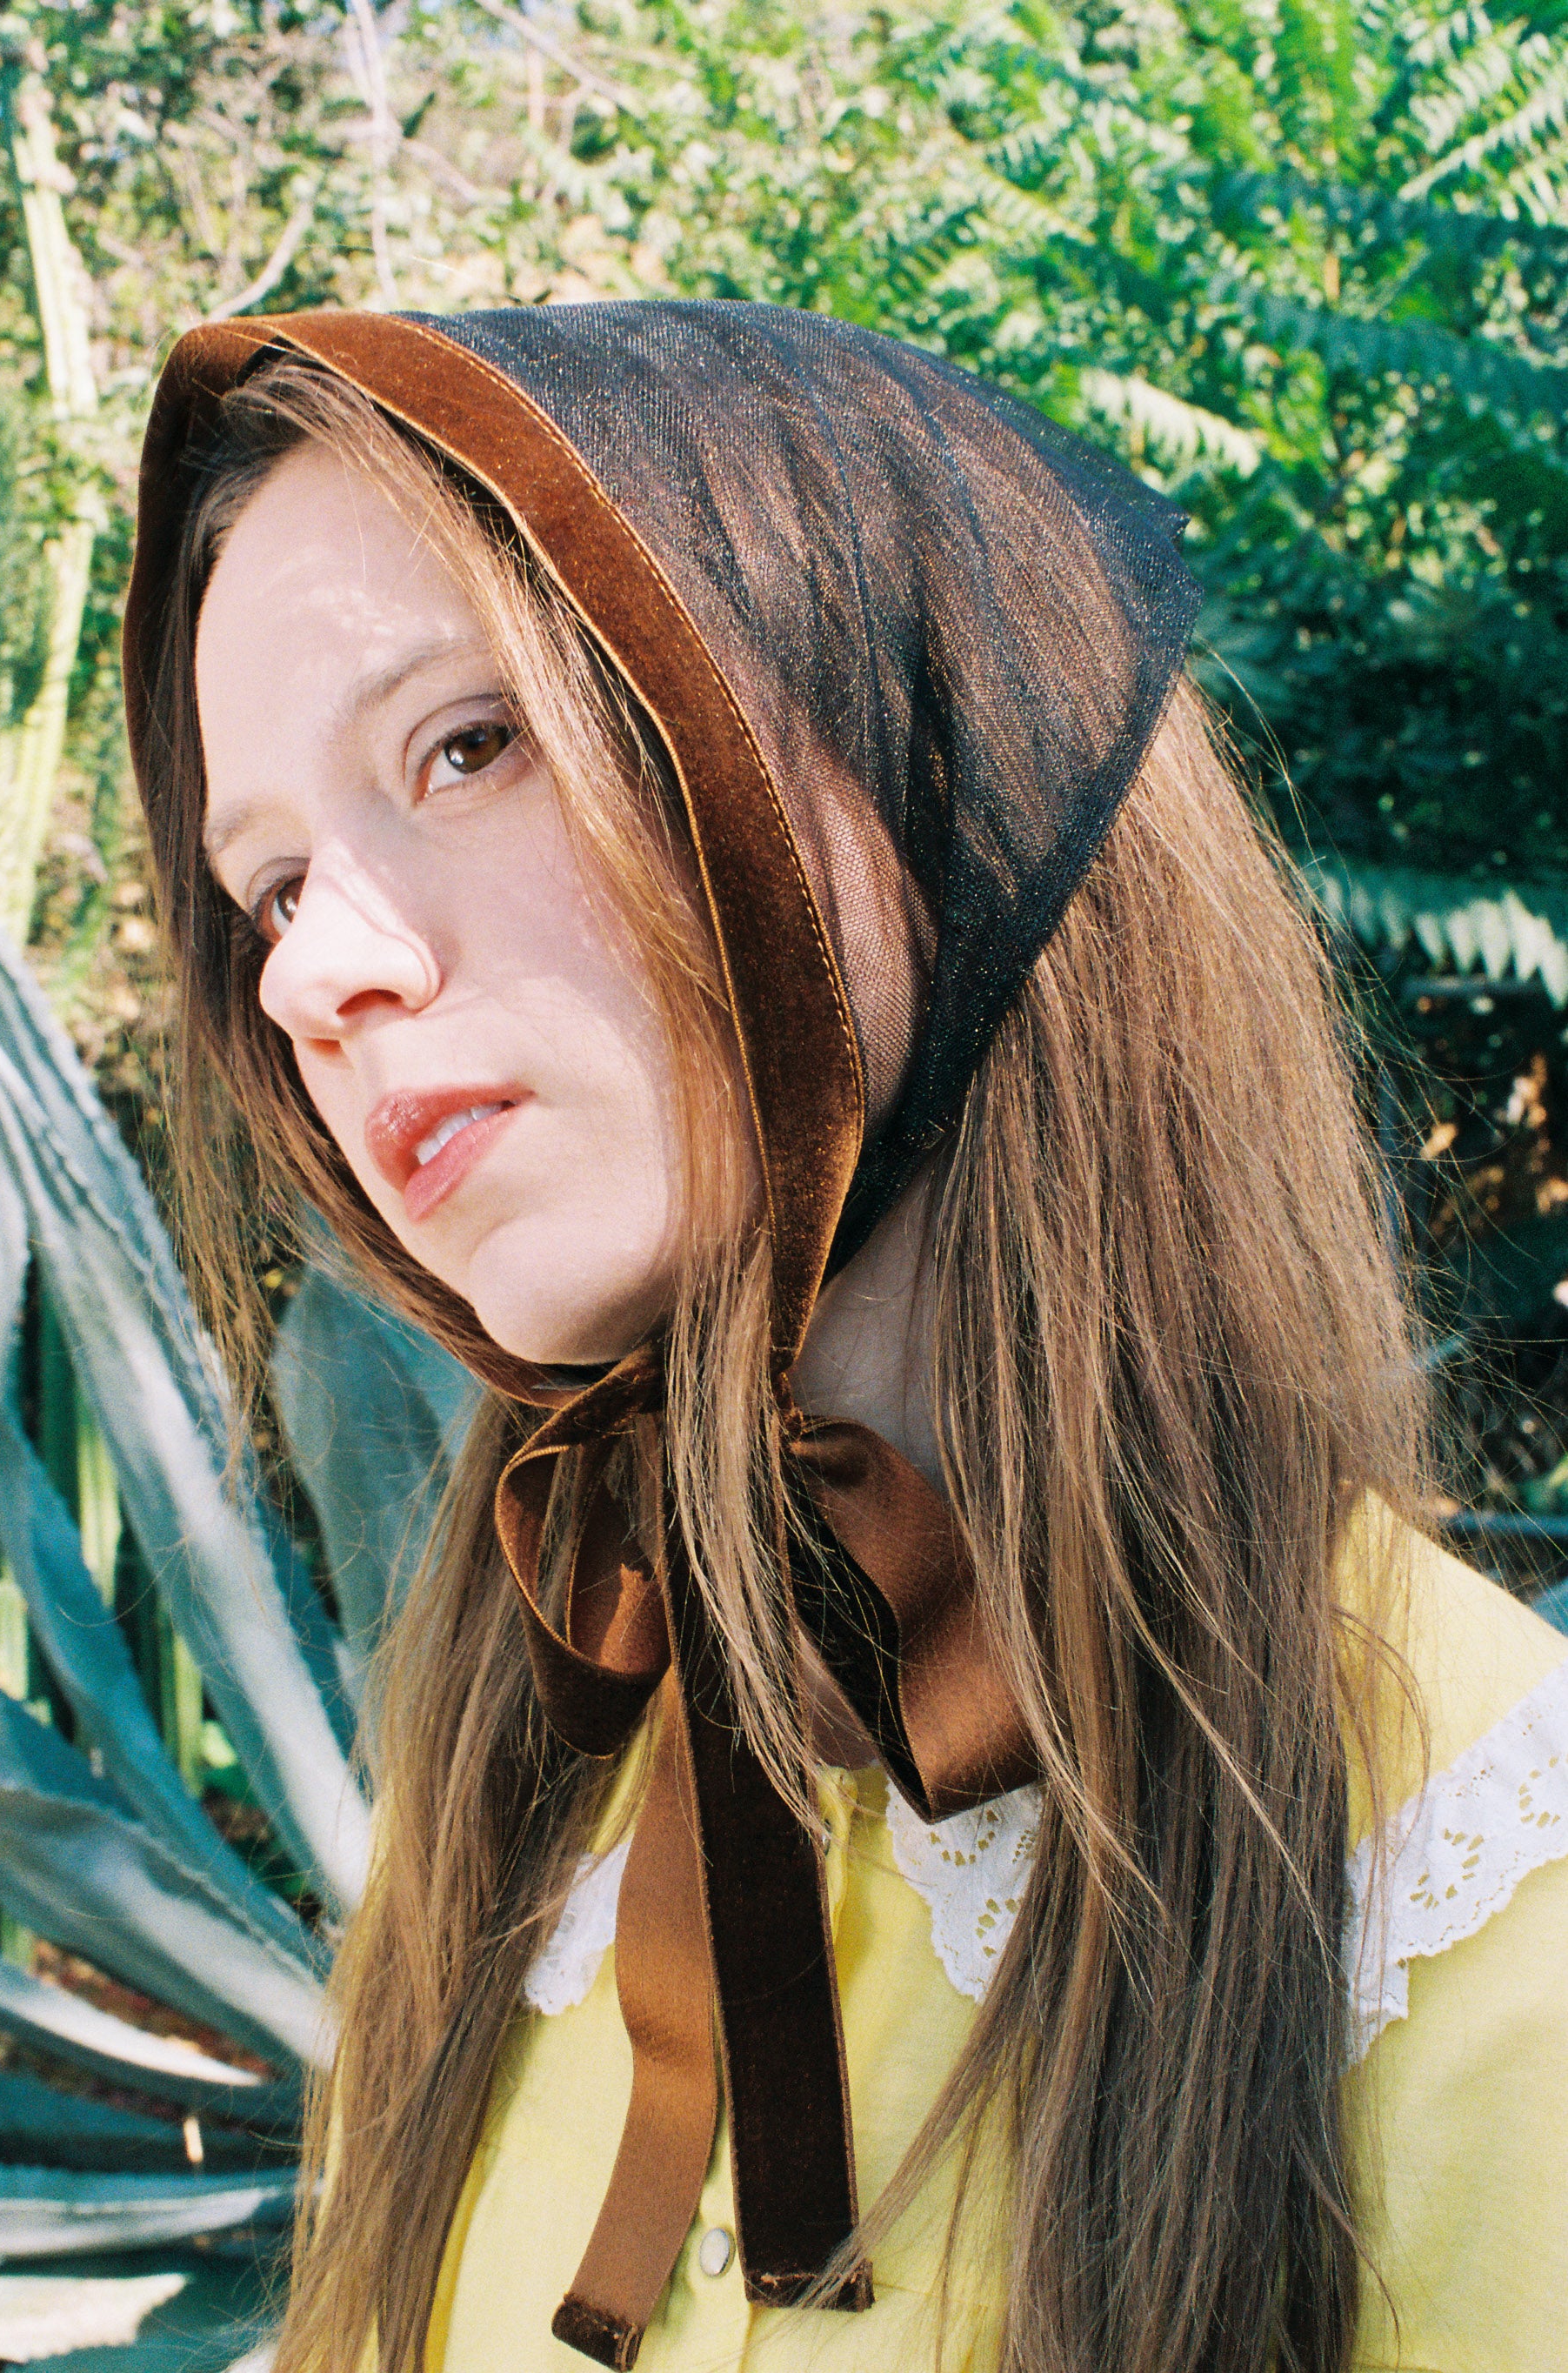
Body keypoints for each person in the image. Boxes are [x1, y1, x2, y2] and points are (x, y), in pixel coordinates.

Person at [122, 303, 1568, 2373]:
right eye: (264, 888)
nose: (311, 978)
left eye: (467, 741)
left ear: (931, 741)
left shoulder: (1490, 1905)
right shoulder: (508, 1808)